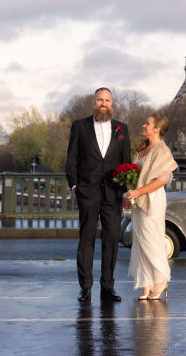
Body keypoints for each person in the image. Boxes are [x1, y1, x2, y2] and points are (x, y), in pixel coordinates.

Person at [66, 87, 131, 302]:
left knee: (111, 239)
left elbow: (126, 162)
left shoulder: (122, 128)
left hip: (113, 194)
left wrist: (125, 190)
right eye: (100, 100)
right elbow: (72, 159)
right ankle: (85, 288)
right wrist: (75, 186)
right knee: (86, 240)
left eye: (107, 100)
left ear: (112, 104)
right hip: (88, 192)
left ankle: (107, 287)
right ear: (93, 102)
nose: (103, 103)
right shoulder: (79, 126)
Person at [125, 114, 177, 301]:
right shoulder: (143, 149)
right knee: (140, 240)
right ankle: (146, 283)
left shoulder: (162, 151)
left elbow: (162, 180)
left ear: (157, 129)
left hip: (153, 199)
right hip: (139, 199)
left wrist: (137, 193)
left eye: (147, 123)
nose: (143, 125)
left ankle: (161, 281)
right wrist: (129, 193)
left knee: (151, 239)